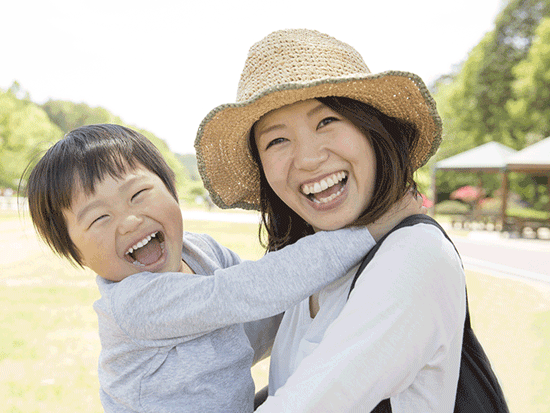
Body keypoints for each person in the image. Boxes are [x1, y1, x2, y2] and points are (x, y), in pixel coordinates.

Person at [26, 124, 422, 413]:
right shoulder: (133, 303)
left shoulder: (201, 252)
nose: (129, 221)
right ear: (77, 254)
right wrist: (366, 231)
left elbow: (262, 317)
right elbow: (246, 291)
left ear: (171, 189)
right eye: (99, 219)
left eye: (139, 194)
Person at [195, 29, 466, 412]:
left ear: (373, 131)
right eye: (277, 141)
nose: (307, 158)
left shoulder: (416, 255)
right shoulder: (313, 267)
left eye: (326, 122)